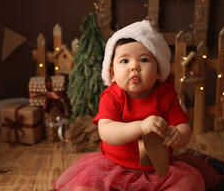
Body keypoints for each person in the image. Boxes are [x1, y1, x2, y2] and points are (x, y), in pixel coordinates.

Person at [52, 20, 205, 191]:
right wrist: (140, 126)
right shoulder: (112, 96)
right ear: (112, 73)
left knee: (191, 181)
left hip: (159, 171)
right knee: (83, 187)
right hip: (114, 169)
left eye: (144, 59)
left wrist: (177, 135)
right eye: (125, 61)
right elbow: (106, 132)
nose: (134, 67)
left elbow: (183, 126)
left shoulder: (165, 95)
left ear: (158, 72)